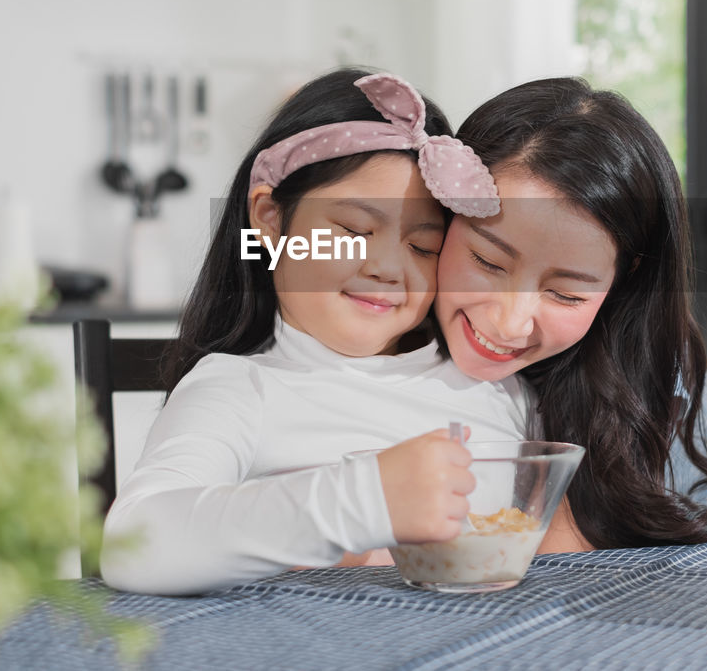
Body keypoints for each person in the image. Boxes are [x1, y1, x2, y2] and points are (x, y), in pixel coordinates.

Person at [100, 68, 525, 595]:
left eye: (423, 246)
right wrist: (363, 501)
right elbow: (134, 543)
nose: (388, 269)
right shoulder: (239, 388)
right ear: (272, 221)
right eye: (351, 230)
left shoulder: (493, 383)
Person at [432, 76, 707, 550]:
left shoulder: (690, 415)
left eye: (566, 294)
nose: (509, 323)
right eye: (487, 262)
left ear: (620, 283)